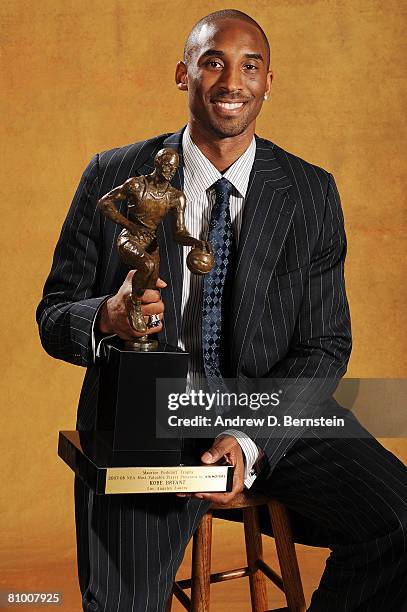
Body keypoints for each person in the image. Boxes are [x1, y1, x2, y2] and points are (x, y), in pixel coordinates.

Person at [37, 9, 407, 611]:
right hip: (145, 418)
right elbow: (54, 316)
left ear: (268, 82)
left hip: (267, 412)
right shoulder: (115, 176)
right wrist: (107, 314)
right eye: (213, 62)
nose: (231, 82)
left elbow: (325, 346)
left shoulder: (310, 192)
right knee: (120, 604)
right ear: (183, 74)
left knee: (401, 521)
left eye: (249, 66)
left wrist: (251, 436)